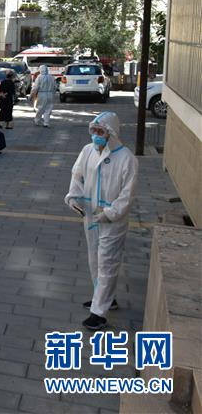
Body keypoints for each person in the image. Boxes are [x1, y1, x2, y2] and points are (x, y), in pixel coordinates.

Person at [65, 112, 138, 331]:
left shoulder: (126, 159)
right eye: (94, 130)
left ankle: (98, 313)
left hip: (112, 221)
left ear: (111, 133)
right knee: (94, 260)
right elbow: (77, 175)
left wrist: (110, 213)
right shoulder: (88, 150)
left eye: (101, 131)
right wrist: (73, 197)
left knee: (107, 262)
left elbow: (127, 195)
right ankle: (105, 297)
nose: (96, 134)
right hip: (90, 216)